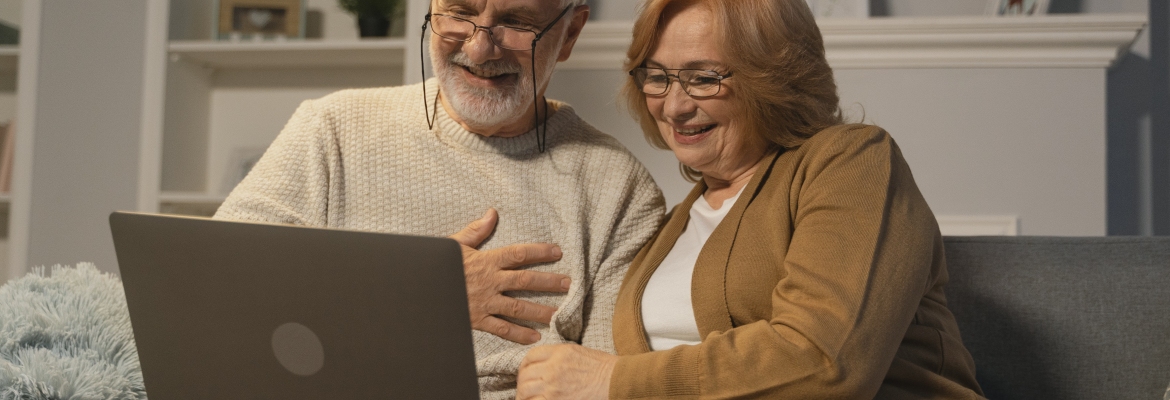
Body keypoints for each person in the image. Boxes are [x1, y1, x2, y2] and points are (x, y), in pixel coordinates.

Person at [516, 0, 986, 398]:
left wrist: (611, 380)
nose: (674, 105)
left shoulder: (850, 161)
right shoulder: (676, 220)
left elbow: (825, 361)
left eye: (703, 78)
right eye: (657, 76)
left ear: (774, 78)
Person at [213, 0, 666, 398]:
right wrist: (417, 294)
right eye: (460, 12)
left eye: (516, 21)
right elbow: (215, 288)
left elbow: (603, 382)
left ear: (569, 33)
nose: (478, 48)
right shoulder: (330, 129)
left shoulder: (619, 188)